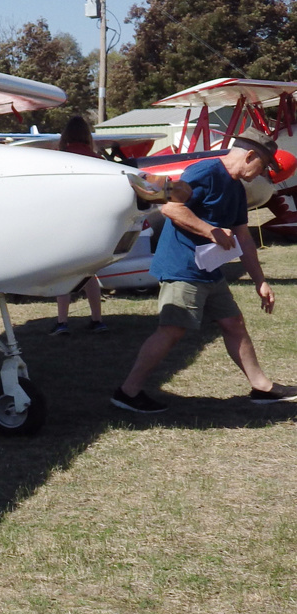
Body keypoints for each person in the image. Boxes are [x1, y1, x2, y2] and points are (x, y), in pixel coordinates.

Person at [113, 128, 295, 412]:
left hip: (208, 270)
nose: (262, 174)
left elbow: (243, 237)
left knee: (233, 324)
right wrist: (211, 231)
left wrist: (260, 281)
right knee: (171, 330)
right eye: (263, 165)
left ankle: (262, 387)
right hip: (182, 268)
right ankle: (128, 392)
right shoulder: (205, 172)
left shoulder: (236, 187)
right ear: (249, 156)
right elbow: (170, 209)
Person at [52, 115, 107, 335]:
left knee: (63, 274)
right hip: (92, 226)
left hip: (63, 224)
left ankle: (62, 321)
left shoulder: (55, 161)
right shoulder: (98, 161)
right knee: (89, 274)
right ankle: (97, 319)